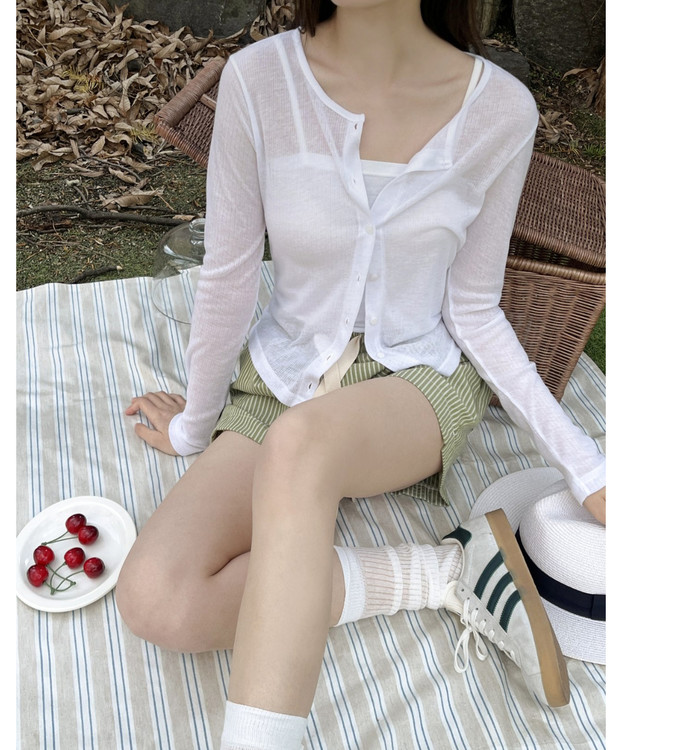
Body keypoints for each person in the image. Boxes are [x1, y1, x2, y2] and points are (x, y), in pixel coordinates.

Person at [116, 1, 606, 747]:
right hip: (282, 375)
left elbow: (474, 310)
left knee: (302, 443)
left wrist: (587, 468)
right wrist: (195, 424)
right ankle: (443, 571)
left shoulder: (501, 112)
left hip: (416, 380)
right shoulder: (258, 81)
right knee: (160, 601)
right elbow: (229, 276)